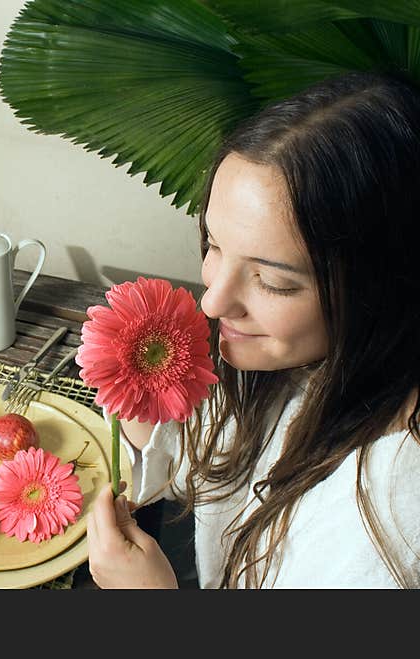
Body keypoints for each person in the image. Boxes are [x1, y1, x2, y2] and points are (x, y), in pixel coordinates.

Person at [86, 71, 420, 589]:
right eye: (214, 245)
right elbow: (215, 468)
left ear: (382, 288)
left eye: (272, 281)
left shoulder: (394, 529)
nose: (214, 300)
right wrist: (143, 407)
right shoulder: (302, 362)